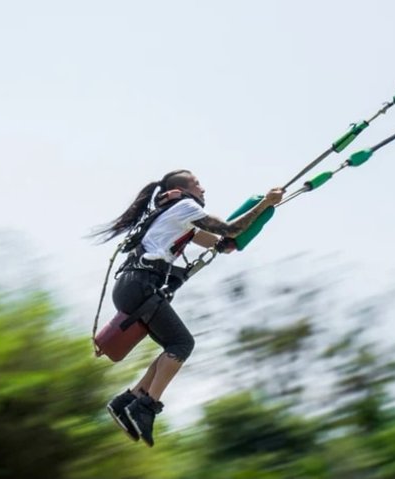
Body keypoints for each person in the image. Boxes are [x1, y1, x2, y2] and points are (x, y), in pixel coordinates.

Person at [93, 169, 284, 447]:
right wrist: (265, 202)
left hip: (132, 287)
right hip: (140, 285)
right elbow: (229, 228)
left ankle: (129, 401)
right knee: (182, 343)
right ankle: (145, 406)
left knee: (174, 344)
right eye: (197, 184)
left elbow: (222, 242)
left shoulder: (177, 217)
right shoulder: (185, 206)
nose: (203, 189)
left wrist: (243, 231)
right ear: (182, 190)